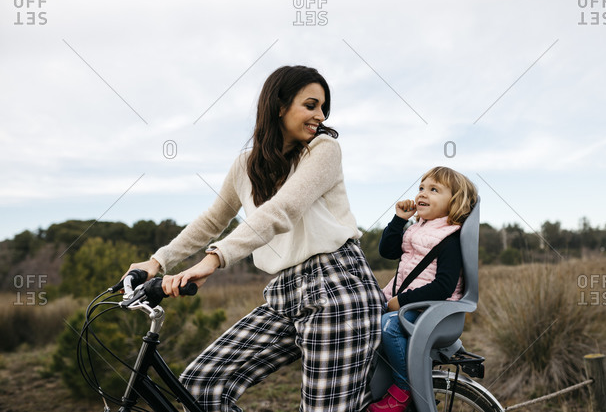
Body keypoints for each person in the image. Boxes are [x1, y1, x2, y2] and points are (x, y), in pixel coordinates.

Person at [124, 65, 385, 412]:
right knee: (201, 385)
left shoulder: (323, 150)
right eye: (311, 105)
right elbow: (212, 220)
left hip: (337, 286)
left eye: (323, 108)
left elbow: (282, 210)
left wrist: (212, 260)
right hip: (283, 292)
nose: (320, 116)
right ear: (279, 106)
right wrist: (158, 261)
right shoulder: (245, 165)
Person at [366, 167, 477, 412]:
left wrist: (402, 301)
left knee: (390, 326)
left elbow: (443, 286)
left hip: (431, 308)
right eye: (421, 188)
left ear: (454, 201)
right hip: (409, 302)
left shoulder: (450, 238)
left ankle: (405, 388)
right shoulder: (417, 229)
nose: (422, 194)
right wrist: (399, 220)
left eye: (434, 189)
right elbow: (387, 251)